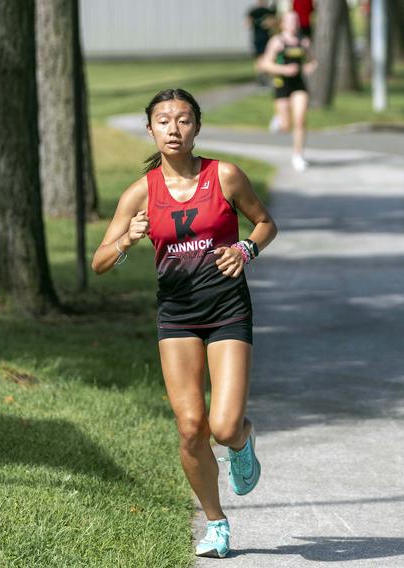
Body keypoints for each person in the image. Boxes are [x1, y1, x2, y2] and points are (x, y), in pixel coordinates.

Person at [91, 88, 278, 559]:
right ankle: (216, 523)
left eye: (183, 120)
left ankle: (242, 440)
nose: (173, 129)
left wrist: (245, 249)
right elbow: (99, 263)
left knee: (224, 424)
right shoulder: (141, 191)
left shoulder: (225, 176)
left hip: (227, 309)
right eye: (163, 121)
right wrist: (127, 240)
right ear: (150, 129)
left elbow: (264, 223)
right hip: (177, 315)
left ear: (197, 126)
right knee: (191, 425)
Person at [259, 11, 317, 172]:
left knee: (300, 119)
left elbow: (313, 61)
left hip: (299, 84)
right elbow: (265, 64)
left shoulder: (303, 42)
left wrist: (308, 68)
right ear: (283, 24)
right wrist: (284, 70)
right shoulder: (277, 42)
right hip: (281, 84)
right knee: (286, 126)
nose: (294, 24)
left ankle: (298, 155)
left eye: (296, 21)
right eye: (290, 21)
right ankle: (279, 120)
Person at [247, 0, 277, 85]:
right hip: (258, 38)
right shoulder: (253, 11)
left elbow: (274, 23)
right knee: (259, 58)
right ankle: (261, 77)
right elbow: (247, 23)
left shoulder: (268, 11)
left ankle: (267, 77)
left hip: (267, 38)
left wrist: (267, 23)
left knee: (268, 57)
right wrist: (258, 22)